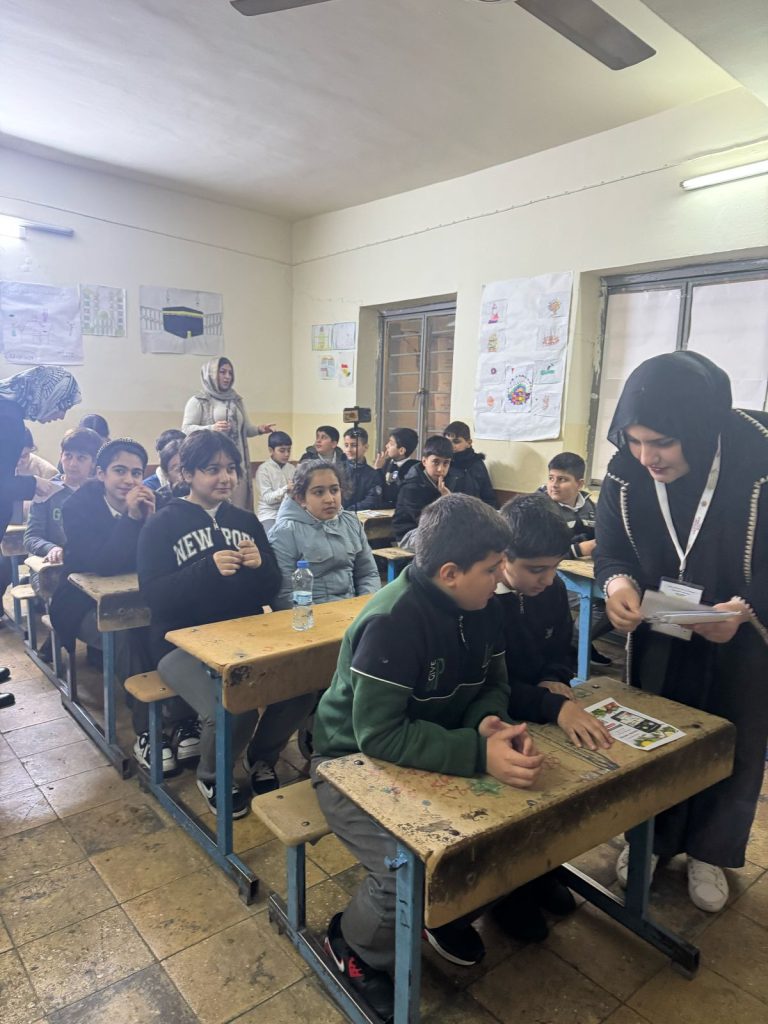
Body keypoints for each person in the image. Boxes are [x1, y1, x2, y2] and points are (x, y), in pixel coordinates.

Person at [311, 495, 611, 1018]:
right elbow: (378, 737)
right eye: (492, 569)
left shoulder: (482, 608)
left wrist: (487, 723)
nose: (500, 579)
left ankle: (441, 915)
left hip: (430, 745)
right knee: (404, 870)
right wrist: (477, 752)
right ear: (450, 573)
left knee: (508, 831)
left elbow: (493, 684)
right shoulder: (393, 620)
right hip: (348, 765)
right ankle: (352, 944)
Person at [595, 351, 768, 914]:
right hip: (662, 630)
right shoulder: (626, 471)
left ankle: (709, 851)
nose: (648, 457)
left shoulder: (758, 459)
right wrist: (618, 584)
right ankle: (651, 839)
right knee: (656, 735)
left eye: (663, 443)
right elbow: (611, 548)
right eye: (635, 441)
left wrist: (746, 609)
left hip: (740, 638)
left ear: (699, 428)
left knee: (732, 739)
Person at [138, 431, 307, 816]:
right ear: (187, 473)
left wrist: (261, 566)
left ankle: (261, 757)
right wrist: (205, 569)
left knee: (301, 689)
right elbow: (154, 596)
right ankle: (214, 774)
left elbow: (270, 587)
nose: (225, 477)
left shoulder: (245, 521)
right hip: (179, 643)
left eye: (231, 468)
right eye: (212, 469)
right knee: (233, 706)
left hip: (243, 636)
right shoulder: (162, 524)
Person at [48, 439, 175, 768]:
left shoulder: (154, 501)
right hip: (81, 604)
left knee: (173, 625)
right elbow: (103, 564)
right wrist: (132, 518)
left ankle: (181, 715)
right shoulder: (79, 506)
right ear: (101, 474)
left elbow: (164, 559)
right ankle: (148, 731)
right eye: (120, 471)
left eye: (136, 472)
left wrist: (151, 521)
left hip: (138, 598)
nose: (129, 480)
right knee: (123, 635)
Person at [492, 492, 579, 941]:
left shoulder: (553, 588)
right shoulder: (484, 599)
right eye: (536, 570)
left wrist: (554, 678)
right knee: (513, 804)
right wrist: (553, 705)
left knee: (557, 793)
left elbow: (563, 645)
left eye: (555, 568)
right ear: (503, 558)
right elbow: (495, 683)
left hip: (542, 709)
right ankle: (508, 891)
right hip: (497, 718)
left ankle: (542, 869)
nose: (548, 579)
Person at [0, 366, 81, 707]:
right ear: (46, 394)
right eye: (62, 405)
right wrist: (34, 485)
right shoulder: (8, 419)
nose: (60, 415)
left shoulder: (8, 411)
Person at [268, 460, 380, 610]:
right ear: (301, 498)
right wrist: (323, 618)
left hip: (354, 611)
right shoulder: (284, 532)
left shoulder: (351, 522)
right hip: (310, 616)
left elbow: (368, 573)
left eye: (334, 490)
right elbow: (285, 594)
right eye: (319, 492)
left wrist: (365, 608)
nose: (330, 499)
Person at [541, 451, 612, 667]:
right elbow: (537, 551)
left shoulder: (591, 507)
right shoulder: (540, 507)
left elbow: (602, 536)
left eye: (562, 479)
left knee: (617, 598)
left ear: (579, 483)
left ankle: (580, 643)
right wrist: (580, 549)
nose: (554, 485)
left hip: (581, 572)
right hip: (550, 576)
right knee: (601, 604)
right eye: (551, 478)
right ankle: (572, 647)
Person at [182, 357, 275, 511]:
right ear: (211, 374)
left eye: (230, 373)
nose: (227, 377)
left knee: (238, 509)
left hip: (236, 465)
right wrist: (211, 428)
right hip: (212, 466)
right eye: (222, 372)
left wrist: (259, 430)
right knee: (216, 509)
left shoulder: (236, 400)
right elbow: (185, 429)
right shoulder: (199, 400)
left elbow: (245, 429)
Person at [392, 434, 458, 547]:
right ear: (424, 461)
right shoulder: (411, 487)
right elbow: (425, 522)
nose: (440, 469)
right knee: (446, 540)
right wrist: (447, 500)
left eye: (446, 463)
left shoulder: (452, 481)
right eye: (435, 462)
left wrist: (449, 498)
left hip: (438, 531)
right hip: (410, 534)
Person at [443, 420, 498, 507]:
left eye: (456, 442)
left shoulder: (476, 463)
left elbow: (487, 495)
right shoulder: (442, 462)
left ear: (469, 443)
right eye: (447, 442)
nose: (451, 446)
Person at [255, 430, 295, 533]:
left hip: (289, 512)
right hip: (269, 514)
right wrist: (286, 488)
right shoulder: (263, 470)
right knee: (273, 536)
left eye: (289, 450)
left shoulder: (292, 469)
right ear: (271, 450)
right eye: (282, 451)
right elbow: (268, 498)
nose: (286, 454)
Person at [373, 427, 419, 508]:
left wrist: (378, 470)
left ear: (401, 450)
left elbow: (391, 494)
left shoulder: (411, 469)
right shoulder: (386, 463)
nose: (386, 446)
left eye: (391, 444)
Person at [342, 427, 382, 511]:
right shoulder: (336, 470)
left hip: (359, 515)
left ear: (365, 447)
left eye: (354, 445)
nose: (349, 450)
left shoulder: (372, 474)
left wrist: (348, 512)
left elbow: (372, 500)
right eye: (346, 445)